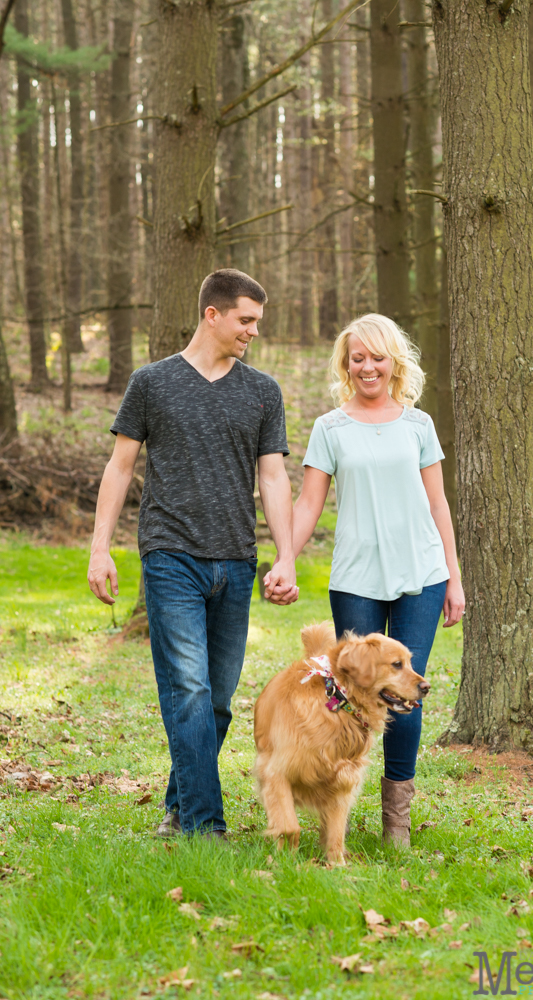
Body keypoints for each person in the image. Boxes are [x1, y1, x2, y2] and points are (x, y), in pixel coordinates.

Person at [87, 268, 299, 840]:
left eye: (257, 321)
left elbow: (274, 478)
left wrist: (285, 557)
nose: (253, 331)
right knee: (190, 690)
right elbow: (121, 466)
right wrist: (99, 547)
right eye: (245, 320)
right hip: (169, 553)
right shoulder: (152, 383)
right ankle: (205, 827)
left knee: (219, 701)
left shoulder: (261, 391)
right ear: (213, 314)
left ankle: (180, 807)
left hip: (235, 558)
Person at [292, 314, 465, 847]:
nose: (368, 366)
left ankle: (397, 824)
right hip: (356, 579)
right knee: (352, 693)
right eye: (357, 357)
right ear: (346, 365)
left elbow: (438, 504)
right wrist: (284, 560)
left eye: (377, 357)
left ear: (395, 363)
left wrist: (454, 579)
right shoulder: (330, 428)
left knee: (404, 693)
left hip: (422, 574)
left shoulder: (418, 425)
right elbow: (309, 503)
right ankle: (336, 804)